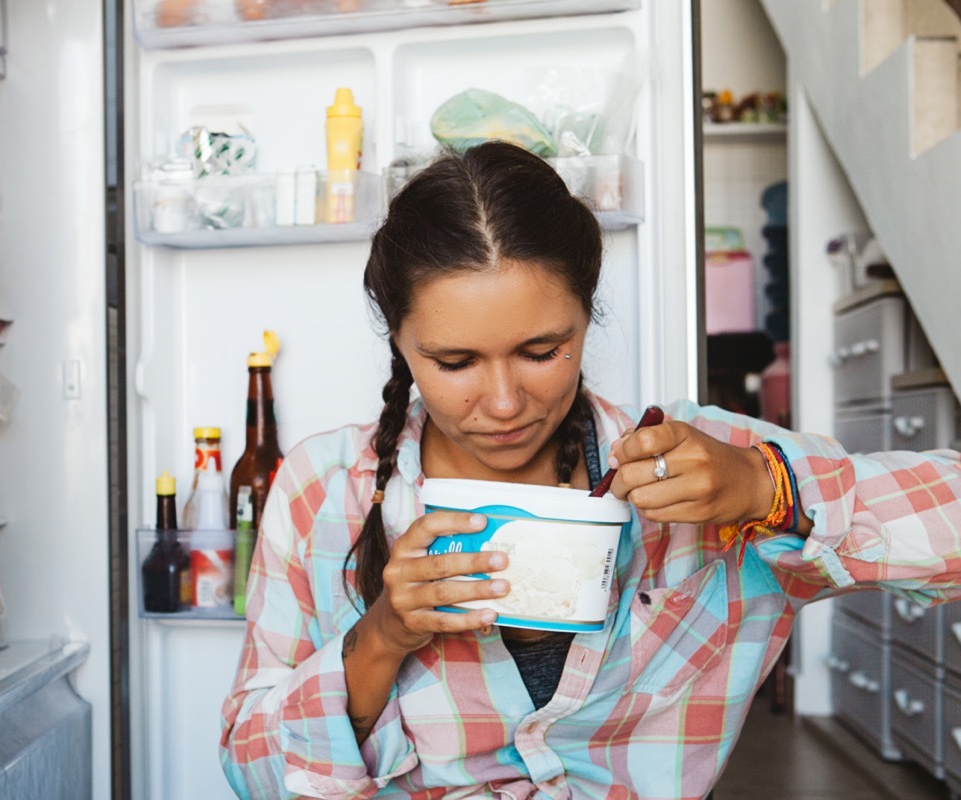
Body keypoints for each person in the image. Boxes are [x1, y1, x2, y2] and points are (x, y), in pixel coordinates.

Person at [219, 140, 961, 799]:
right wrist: (380, 637)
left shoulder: (692, 462)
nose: (505, 403)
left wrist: (768, 487)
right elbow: (250, 767)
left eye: (542, 351)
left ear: (587, 316)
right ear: (400, 344)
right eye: (454, 363)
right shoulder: (327, 489)